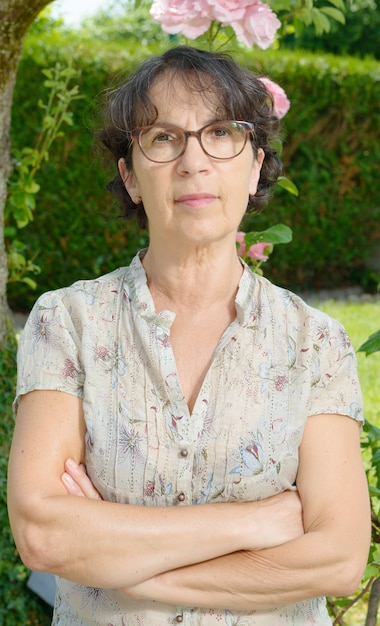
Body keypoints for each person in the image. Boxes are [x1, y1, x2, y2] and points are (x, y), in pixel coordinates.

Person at [7, 45, 371, 626]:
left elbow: (338, 558)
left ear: (254, 166)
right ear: (129, 175)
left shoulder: (315, 343)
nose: (193, 162)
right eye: (162, 138)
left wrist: (125, 565)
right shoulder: (68, 322)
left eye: (221, 133)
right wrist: (254, 523)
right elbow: (45, 536)